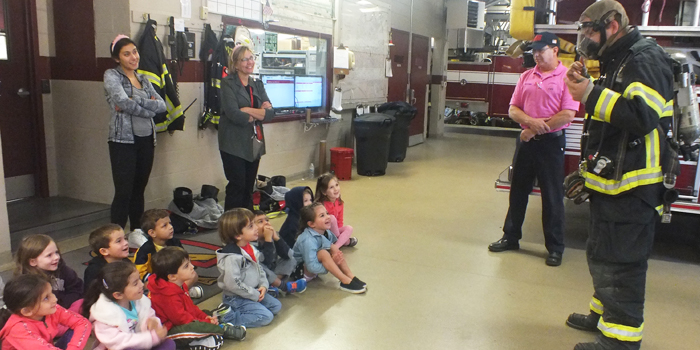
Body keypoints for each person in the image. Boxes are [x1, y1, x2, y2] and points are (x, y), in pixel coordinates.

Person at [563, 1, 674, 349]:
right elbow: (611, 130)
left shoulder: (645, 58)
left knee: (622, 265)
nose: (583, 38)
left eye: (588, 29)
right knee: (603, 255)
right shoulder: (617, 60)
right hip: (612, 186)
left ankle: (620, 341)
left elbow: (642, 116)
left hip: (633, 190)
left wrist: (590, 94)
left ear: (612, 24)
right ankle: (602, 317)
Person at [487, 32, 579, 266]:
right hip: (526, 143)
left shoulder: (567, 77)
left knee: (552, 196)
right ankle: (510, 237)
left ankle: (555, 248)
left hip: (550, 144)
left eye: (541, 50)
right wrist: (532, 124)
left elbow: (568, 114)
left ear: (555, 50)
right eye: (534, 51)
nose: (536, 54)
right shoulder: (527, 76)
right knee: (517, 191)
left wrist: (534, 129)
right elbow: (513, 109)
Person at [104, 35, 166, 230]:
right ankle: (116, 235)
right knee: (124, 191)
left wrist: (136, 101)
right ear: (117, 58)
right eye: (126, 54)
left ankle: (136, 232)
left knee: (139, 190)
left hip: (146, 139)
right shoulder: (112, 75)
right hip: (123, 141)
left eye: (135, 52)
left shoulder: (143, 78)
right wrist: (149, 110)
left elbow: (162, 105)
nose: (133, 57)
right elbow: (122, 102)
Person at [148, 247, 246, 349]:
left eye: (190, 263)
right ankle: (220, 330)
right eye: (186, 266)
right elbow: (181, 319)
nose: (192, 266)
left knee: (206, 313)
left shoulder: (178, 285)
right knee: (196, 327)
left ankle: (213, 330)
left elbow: (191, 307)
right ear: (172, 276)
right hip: (168, 331)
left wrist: (204, 317)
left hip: (179, 322)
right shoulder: (167, 296)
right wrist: (206, 322)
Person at [219, 45, 275, 211]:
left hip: (253, 143)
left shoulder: (257, 84)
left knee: (249, 186)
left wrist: (248, 111)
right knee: (237, 185)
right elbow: (234, 114)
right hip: (233, 144)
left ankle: (247, 224)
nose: (250, 62)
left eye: (251, 58)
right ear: (235, 64)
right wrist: (259, 112)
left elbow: (271, 113)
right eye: (245, 59)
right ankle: (232, 226)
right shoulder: (227, 83)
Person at [82, 260, 175, 350]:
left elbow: (150, 315)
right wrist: (152, 338)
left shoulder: (140, 301)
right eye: (135, 283)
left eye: (139, 279)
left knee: (169, 344)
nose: (142, 284)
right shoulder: (104, 316)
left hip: (141, 342)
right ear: (118, 295)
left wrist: (152, 322)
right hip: (121, 347)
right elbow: (120, 343)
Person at [216, 208, 282, 328]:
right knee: (266, 317)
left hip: (253, 291)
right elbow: (233, 284)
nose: (256, 228)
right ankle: (228, 318)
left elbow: (259, 269)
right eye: (251, 226)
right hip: (236, 297)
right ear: (237, 235)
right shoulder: (232, 257)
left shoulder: (250, 247)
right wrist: (254, 294)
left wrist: (263, 285)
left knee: (276, 306)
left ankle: (242, 311)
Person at [0, 274, 92, 350]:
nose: (55, 299)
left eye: (51, 292)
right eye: (46, 298)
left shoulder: (50, 309)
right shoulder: (18, 330)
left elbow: (83, 323)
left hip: (47, 346)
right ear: (27, 311)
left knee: (75, 329)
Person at [292, 203, 366, 293]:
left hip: (312, 266)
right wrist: (332, 263)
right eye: (322, 216)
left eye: (327, 213)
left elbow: (331, 245)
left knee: (334, 247)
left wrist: (335, 255)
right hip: (300, 272)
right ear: (311, 224)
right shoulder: (307, 240)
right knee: (323, 253)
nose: (328, 217)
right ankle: (345, 281)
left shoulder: (325, 231)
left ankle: (350, 276)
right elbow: (312, 267)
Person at [133, 209, 200, 298]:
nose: (170, 227)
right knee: (146, 285)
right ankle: (176, 294)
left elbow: (184, 260)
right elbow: (140, 273)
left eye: (170, 223)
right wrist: (159, 279)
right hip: (157, 280)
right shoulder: (144, 251)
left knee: (194, 275)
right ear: (152, 232)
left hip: (174, 276)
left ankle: (180, 293)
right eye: (164, 225)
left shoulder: (175, 242)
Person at [14, 234, 83, 312]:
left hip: (65, 309)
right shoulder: (26, 283)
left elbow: (77, 289)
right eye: (49, 255)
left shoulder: (64, 270)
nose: (56, 257)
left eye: (56, 252)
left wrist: (62, 306)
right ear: (33, 262)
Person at [251, 210, 306, 296]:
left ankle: (272, 285)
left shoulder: (272, 235)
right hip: (259, 275)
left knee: (291, 259)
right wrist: (268, 240)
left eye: (267, 220)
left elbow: (288, 255)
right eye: (260, 221)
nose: (266, 223)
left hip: (272, 270)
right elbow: (266, 262)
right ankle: (284, 286)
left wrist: (277, 239)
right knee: (261, 267)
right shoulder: (251, 244)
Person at [84, 224, 131, 292]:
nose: (126, 243)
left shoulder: (127, 262)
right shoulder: (95, 271)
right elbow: (91, 295)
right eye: (118, 241)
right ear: (104, 251)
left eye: (125, 238)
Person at [315, 173, 358, 248]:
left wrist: (338, 233)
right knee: (331, 218)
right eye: (331, 187)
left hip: (335, 232)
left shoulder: (340, 203)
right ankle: (345, 241)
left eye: (337, 185)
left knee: (349, 228)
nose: (336, 189)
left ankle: (336, 246)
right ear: (324, 192)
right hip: (324, 233)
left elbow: (340, 221)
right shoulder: (321, 205)